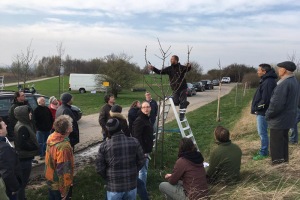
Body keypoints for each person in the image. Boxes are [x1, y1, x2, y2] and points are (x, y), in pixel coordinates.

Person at [96, 118, 145, 200]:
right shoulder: (134, 142)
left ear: (108, 131)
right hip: (131, 185)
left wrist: (108, 177)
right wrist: (134, 171)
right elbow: (141, 160)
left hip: (114, 187)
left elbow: (99, 168)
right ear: (120, 128)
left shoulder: (104, 146)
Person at [265, 61, 299, 165]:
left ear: (284, 70)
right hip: (288, 118)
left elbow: (276, 105)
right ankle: (284, 163)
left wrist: (268, 115)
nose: (278, 70)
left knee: (276, 145)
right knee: (283, 143)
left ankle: (278, 167)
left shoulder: (284, 83)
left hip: (279, 120)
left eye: (280, 68)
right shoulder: (294, 81)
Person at [148, 55, 191, 120]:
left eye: (172, 59)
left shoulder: (181, 67)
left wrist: (189, 66)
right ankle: (185, 103)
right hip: (175, 89)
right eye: (170, 59)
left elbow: (187, 69)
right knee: (175, 102)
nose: (171, 60)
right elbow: (160, 72)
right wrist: (153, 68)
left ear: (176, 60)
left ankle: (181, 116)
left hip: (183, 88)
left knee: (182, 102)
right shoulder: (169, 69)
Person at [251, 64, 277, 160]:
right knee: (262, 132)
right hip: (262, 111)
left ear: (264, 71)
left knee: (262, 133)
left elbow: (266, 99)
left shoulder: (268, 82)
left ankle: (264, 152)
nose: (257, 72)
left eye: (259, 70)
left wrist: (257, 108)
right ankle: (264, 150)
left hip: (263, 112)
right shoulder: (266, 80)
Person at [45, 115, 74, 200]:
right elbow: (64, 169)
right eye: (71, 125)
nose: (72, 126)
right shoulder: (64, 147)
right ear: (67, 129)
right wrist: (64, 190)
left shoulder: (52, 137)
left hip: (50, 179)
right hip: (58, 184)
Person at [14, 105, 39, 200]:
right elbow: (22, 144)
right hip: (24, 158)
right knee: (23, 182)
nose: (31, 114)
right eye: (29, 112)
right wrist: (34, 147)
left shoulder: (23, 123)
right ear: (23, 114)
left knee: (22, 182)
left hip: (25, 157)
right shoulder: (22, 127)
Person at [0, 118, 22, 200]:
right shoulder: (4, 148)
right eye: (3, 125)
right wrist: (14, 187)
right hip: (8, 188)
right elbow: (7, 171)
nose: (6, 125)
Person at [132, 101, 154, 187]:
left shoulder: (146, 118)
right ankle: (142, 189)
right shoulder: (140, 120)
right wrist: (143, 151)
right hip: (142, 151)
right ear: (141, 109)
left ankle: (138, 186)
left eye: (148, 107)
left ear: (150, 108)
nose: (146, 109)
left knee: (142, 170)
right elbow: (137, 137)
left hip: (146, 149)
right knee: (143, 171)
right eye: (144, 107)